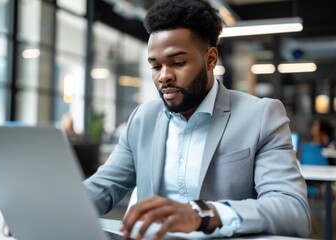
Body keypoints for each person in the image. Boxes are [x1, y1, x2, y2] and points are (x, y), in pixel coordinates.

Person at [83, 0, 311, 239]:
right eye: (155, 66)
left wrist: (203, 214)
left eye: (178, 63)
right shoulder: (143, 118)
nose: (164, 76)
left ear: (211, 59)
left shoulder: (261, 116)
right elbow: (103, 188)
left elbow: (293, 211)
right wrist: (53, 204)